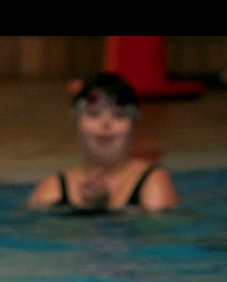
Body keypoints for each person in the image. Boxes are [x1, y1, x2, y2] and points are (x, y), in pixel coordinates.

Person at [27, 73, 180, 213]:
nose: (106, 123)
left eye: (119, 116)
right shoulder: (54, 187)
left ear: (133, 123)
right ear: (77, 120)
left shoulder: (153, 182)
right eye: (94, 114)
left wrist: (103, 208)